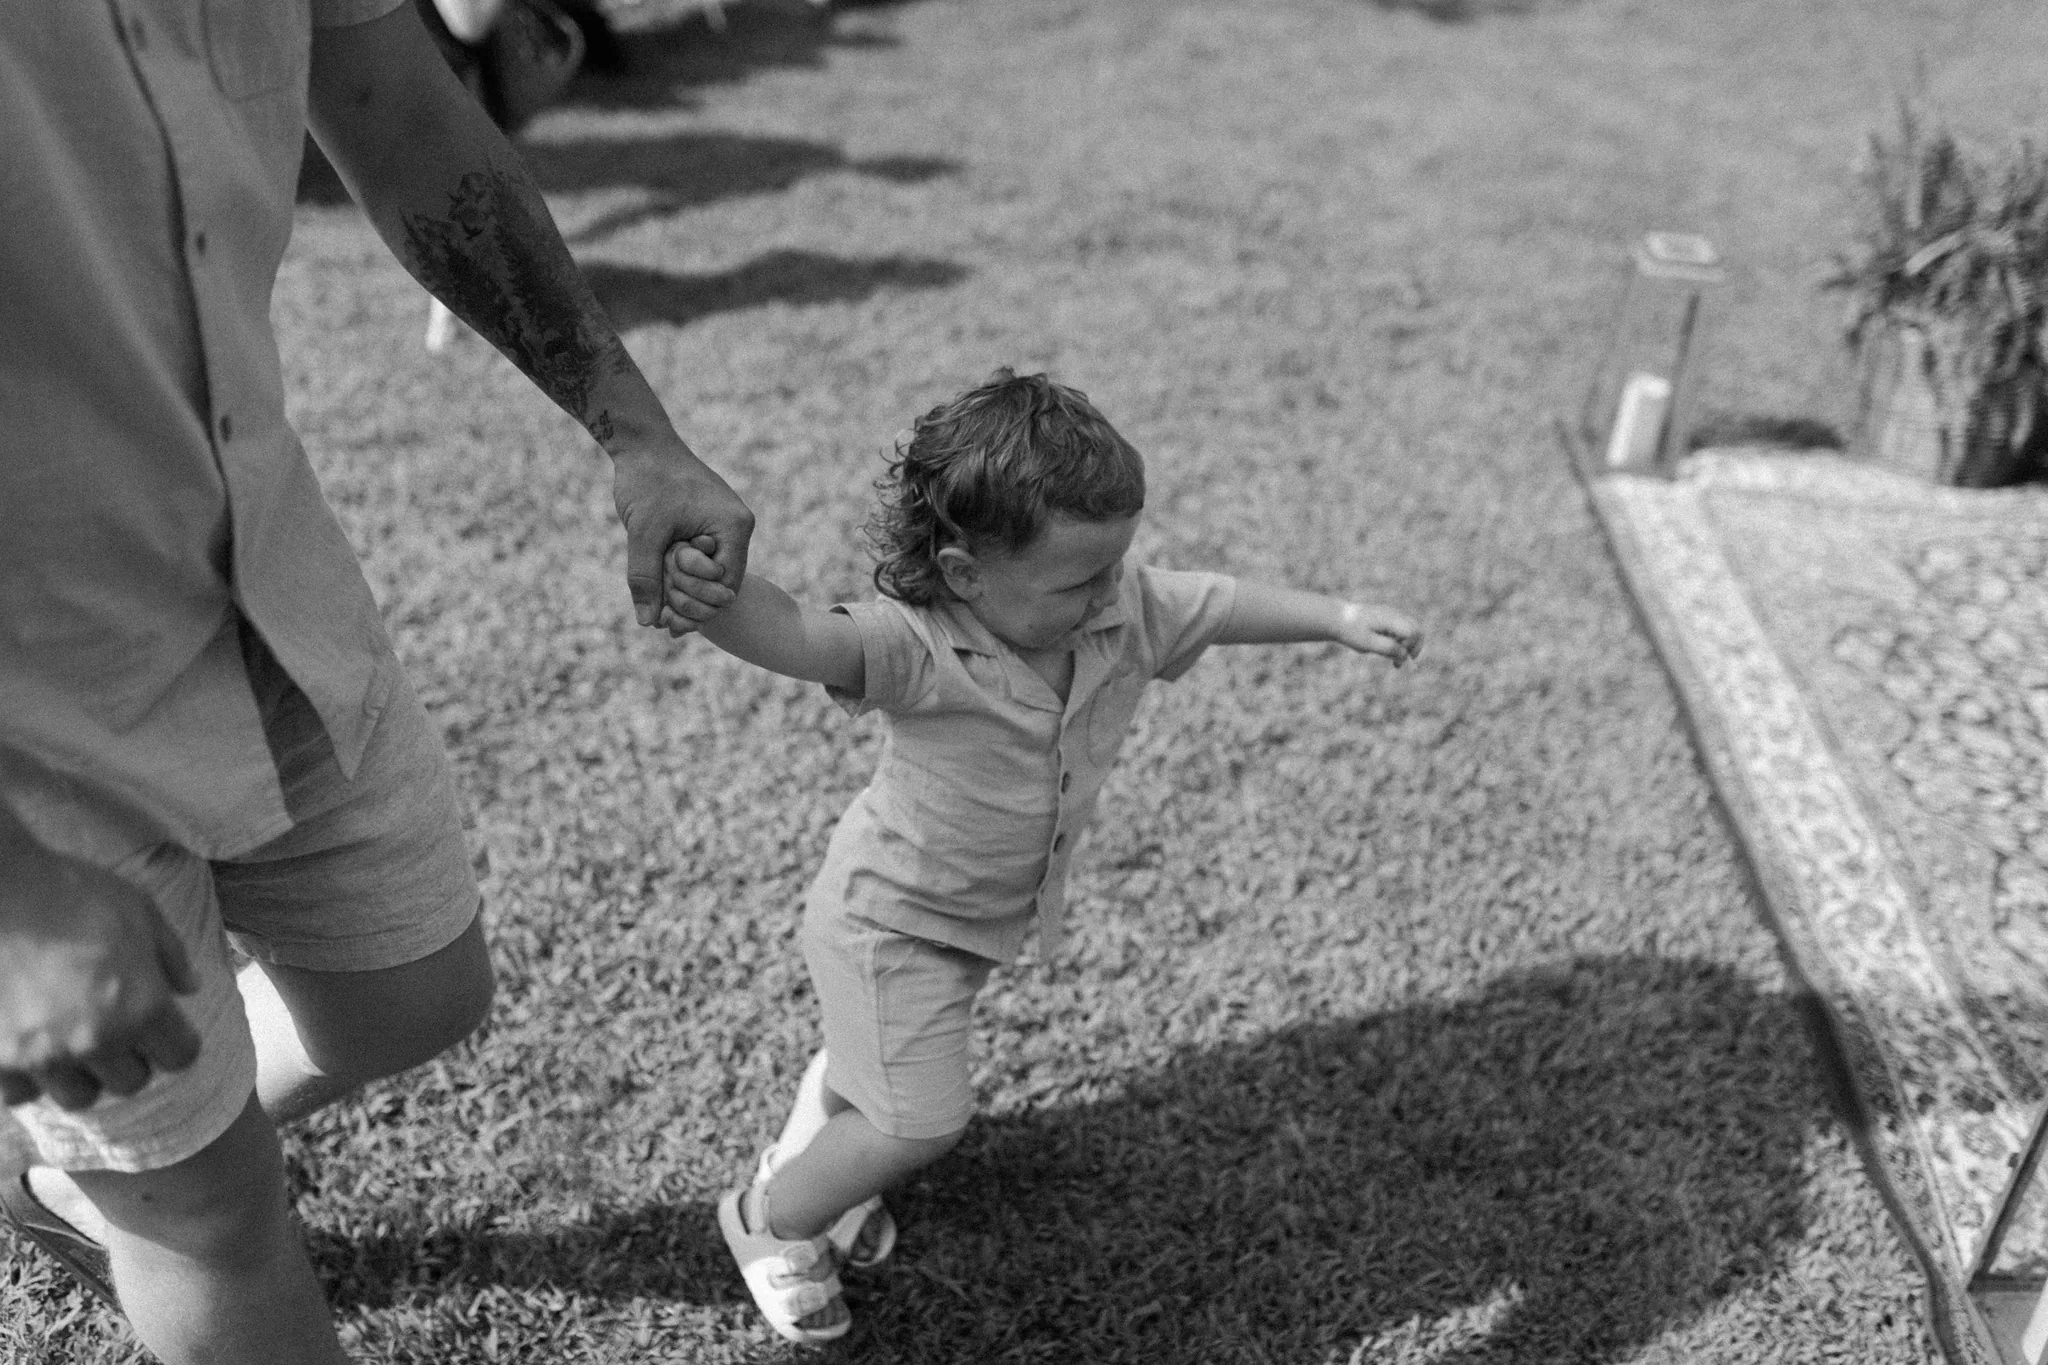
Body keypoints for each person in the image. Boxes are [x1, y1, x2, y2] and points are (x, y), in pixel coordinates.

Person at [0, 3, 747, 1362]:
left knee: (416, 988)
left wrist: (634, 429)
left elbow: (397, 110)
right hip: (26, 708)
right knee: (205, 1217)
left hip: (259, 567)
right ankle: (133, 1172)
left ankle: (67, 1168)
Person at [669, 369, 1424, 1343]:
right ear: (966, 573)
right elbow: (798, 634)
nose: (1108, 591)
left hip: (977, 914)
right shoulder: (918, 645)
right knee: (918, 1122)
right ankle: (770, 1220)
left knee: (886, 1082)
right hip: (886, 919)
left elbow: (1216, 602)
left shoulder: (1122, 613)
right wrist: (709, 593)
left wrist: (1333, 616)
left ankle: (831, 1131)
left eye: (1114, 566)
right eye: (1077, 581)